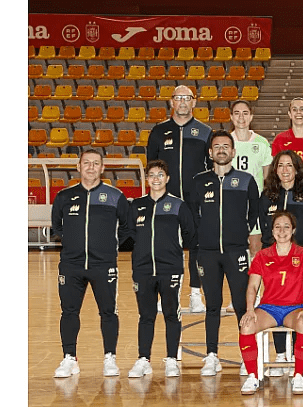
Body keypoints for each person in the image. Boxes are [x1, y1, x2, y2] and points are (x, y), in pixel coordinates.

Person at [51, 149, 133, 378]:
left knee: (108, 312)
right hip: (71, 264)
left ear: (102, 168)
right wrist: (71, 242)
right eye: (86, 163)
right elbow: (57, 226)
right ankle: (69, 358)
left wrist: (110, 246)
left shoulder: (115, 196)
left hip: (103, 265)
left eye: (95, 163)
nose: (90, 167)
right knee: (69, 311)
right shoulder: (64, 197)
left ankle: (110, 358)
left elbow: (128, 227)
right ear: (78, 167)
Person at [193, 130, 260, 376]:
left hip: (236, 251)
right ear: (210, 152)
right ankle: (212, 356)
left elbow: (255, 211)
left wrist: (241, 231)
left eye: (226, 146)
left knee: (243, 304)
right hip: (208, 252)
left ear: (233, 152)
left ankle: (247, 357)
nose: (221, 150)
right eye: (217, 146)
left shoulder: (246, 180)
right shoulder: (199, 181)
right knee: (213, 305)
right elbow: (192, 214)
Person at [127, 160, 197, 378]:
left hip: (171, 269)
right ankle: (143, 359)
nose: (155, 179)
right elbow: (129, 235)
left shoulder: (178, 205)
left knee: (170, 313)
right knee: (145, 315)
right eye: (151, 175)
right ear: (146, 179)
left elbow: (190, 234)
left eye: (160, 175)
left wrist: (172, 250)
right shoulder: (136, 206)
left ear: (167, 178)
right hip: (143, 269)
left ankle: (171, 359)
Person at [146, 85, 212, 313]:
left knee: (196, 248)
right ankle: (164, 295)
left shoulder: (205, 132)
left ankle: (195, 294)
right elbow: (151, 168)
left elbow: (212, 170)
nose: (183, 102)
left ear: (194, 102)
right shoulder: (158, 131)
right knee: (165, 248)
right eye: (178, 98)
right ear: (171, 102)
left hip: (196, 202)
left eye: (187, 98)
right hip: (166, 202)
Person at [236, 212, 303, 395]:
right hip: (269, 308)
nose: (282, 231)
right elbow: (252, 286)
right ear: (272, 231)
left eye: (286, 226)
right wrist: (250, 310)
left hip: (294, 307)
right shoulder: (263, 256)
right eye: (278, 227)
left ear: (293, 230)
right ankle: (253, 376)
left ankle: (298, 376)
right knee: (247, 325)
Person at [259, 150, 303, 376]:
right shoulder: (267, 196)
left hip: (301, 258)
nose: (285, 170)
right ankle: (280, 354)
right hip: (274, 259)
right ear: (275, 170)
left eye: (289, 165)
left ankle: (297, 353)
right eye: (281, 165)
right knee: (275, 300)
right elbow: (262, 228)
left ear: (297, 169)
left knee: (299, 303)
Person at [230, 100, 272, 255]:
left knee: (255, 246)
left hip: (255, 202)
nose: (241, 117)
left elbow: (268, 177)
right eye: (237, 113)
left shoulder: (261, 143)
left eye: (245, 113)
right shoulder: (226, 142)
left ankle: (255, 279)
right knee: (234, 247)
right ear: (231, 117)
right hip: (232, 203)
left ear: (251, 116)